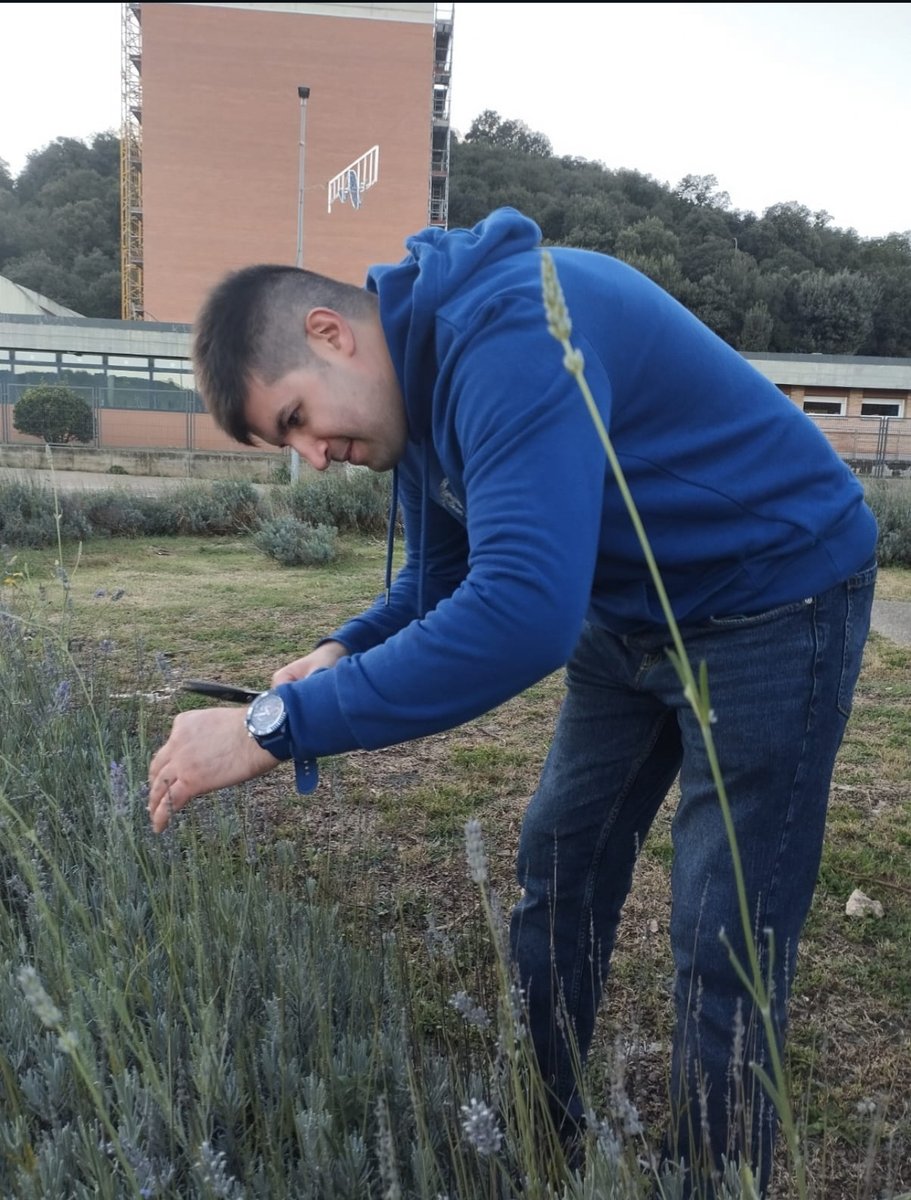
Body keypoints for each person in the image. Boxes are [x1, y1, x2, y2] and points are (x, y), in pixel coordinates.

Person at [147, 207, 877, 1194]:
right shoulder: (414, 403)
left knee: (723, 932)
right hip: (623, 617)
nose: (311, 457)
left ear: (330, 334)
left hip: (773, 597)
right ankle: (538, 1141)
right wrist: (342, 647)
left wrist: (270, 730)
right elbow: (446, 580)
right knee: (558, 860)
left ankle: (711, 1181)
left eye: (293, 420)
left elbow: (522, 614)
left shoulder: (507, 332)